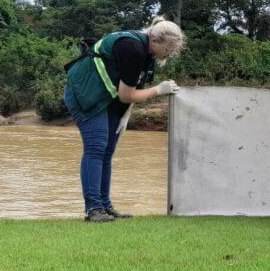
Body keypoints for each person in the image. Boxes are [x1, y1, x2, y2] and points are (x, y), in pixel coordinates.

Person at [63, 17, 185, 222]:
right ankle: (93, 209)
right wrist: (159, 90)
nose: (170, 53)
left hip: (106, 98)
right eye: (168, 48)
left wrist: (125, 116)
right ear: (155, 41)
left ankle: (105, 206)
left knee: (108, 149)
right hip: (84, 93)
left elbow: (132, 89)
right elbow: (126, 95)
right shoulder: (132, 48)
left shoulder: (147, 54)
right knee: (96, 147)